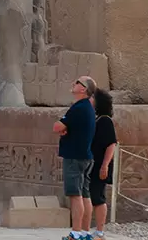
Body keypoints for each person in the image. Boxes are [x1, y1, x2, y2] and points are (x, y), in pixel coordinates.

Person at [54, 76, 97, 240]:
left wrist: (62, 128)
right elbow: (68, 127)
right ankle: (85, 232)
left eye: (78, 82)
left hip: (74, 156)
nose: (74, 83)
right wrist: (66, 129)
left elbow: (57, 126)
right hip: (85, 156)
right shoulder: (87, 108)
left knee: (75, 194)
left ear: (83, 89)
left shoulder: (78, 108)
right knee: (85, 194)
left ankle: (76, 233)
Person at [89, 89, 118, 240]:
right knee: (92, 197)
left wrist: (105, 165)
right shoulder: (97, 119)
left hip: (100, 165)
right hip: (93, 165)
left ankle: (100, 231)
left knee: (98, 197)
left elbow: (111, 144)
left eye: (93, 97)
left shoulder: (105, 120)